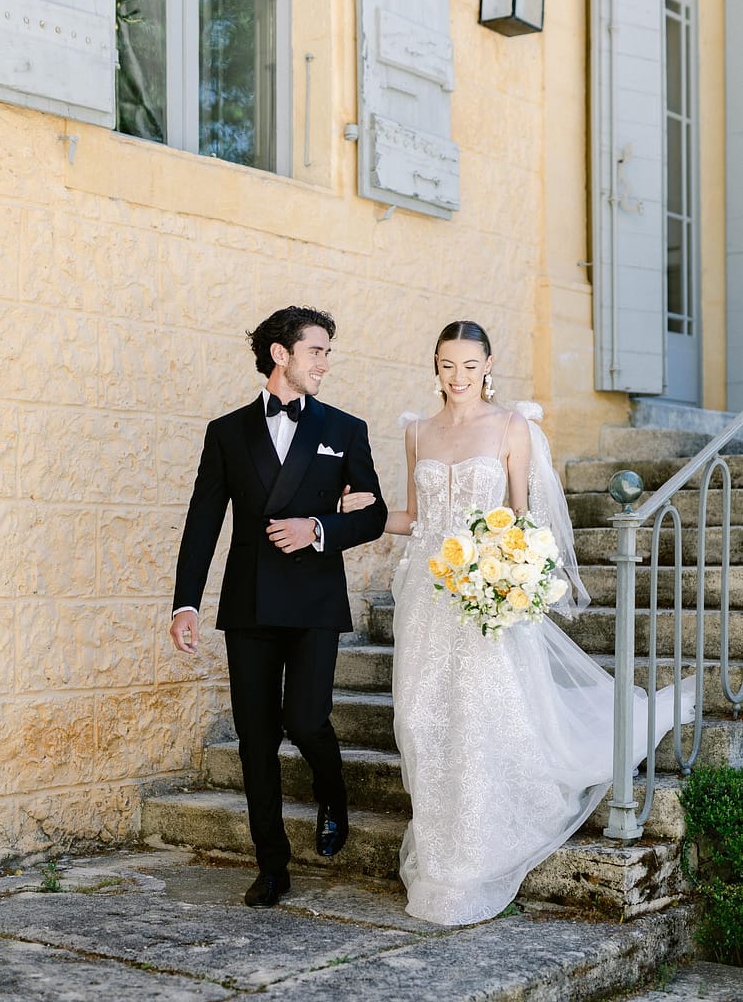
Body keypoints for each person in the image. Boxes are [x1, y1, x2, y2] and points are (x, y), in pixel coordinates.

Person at [342, 320, 693, 926]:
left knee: (481, 717)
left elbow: (524, 521)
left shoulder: (511, 428)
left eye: (469, 365)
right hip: (428, 599)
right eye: (447, 365)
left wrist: (510, 576)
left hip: (484, 598)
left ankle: (474, 857)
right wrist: (365, 512)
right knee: (424, 718)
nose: (458, 377)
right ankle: (441, 844)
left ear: (488, 364)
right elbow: (418, 518)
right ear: (435, 365)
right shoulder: (417, 432)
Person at [170, 306, 387, 909]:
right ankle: (271, 864)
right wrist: (185, 602)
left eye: (326, 353)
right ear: (280, 355)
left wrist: (317, 527)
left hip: (316, 599)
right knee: (255, 736)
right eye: (315, 351)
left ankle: (332, 791)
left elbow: (372, 514)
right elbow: (202, 521)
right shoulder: (227, 432)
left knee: (308, 719)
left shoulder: (344, 428)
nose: (324, 363)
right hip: (251, 603)